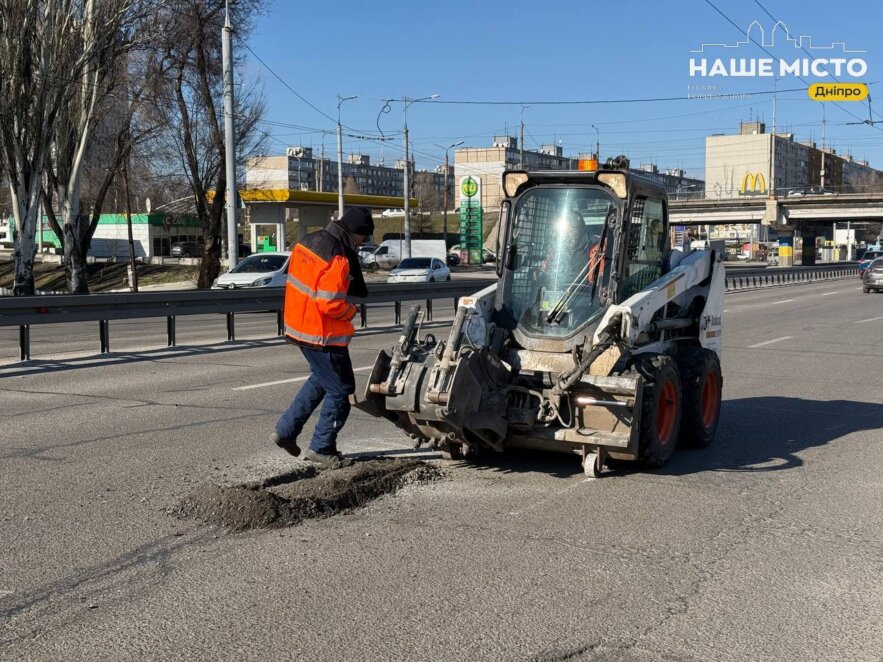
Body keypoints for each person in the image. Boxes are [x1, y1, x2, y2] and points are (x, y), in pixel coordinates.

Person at [271, 207, 373, 469]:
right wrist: (352, 310)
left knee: (319, 380)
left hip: (299, 327)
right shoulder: (338, 257)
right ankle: (322, 447)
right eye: (363, 238)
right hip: (323, 335)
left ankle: (285, 431)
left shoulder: (308, 242)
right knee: (341, 390)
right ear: (355, 233)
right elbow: (330, 303)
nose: (363, 244)